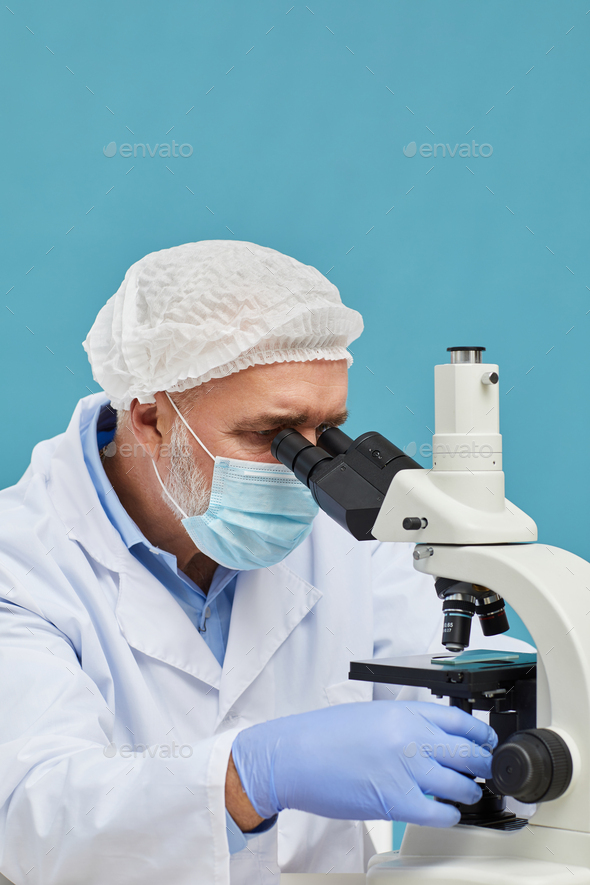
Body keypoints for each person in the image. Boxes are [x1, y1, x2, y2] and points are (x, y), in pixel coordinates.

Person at [0, 241, 501, 885]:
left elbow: (469, 688)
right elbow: (34, 820)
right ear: (152, 418)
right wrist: (253, 773)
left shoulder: (346, 533)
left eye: (326, 433)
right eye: (273, 437)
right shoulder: (20, 562)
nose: (308, 472)